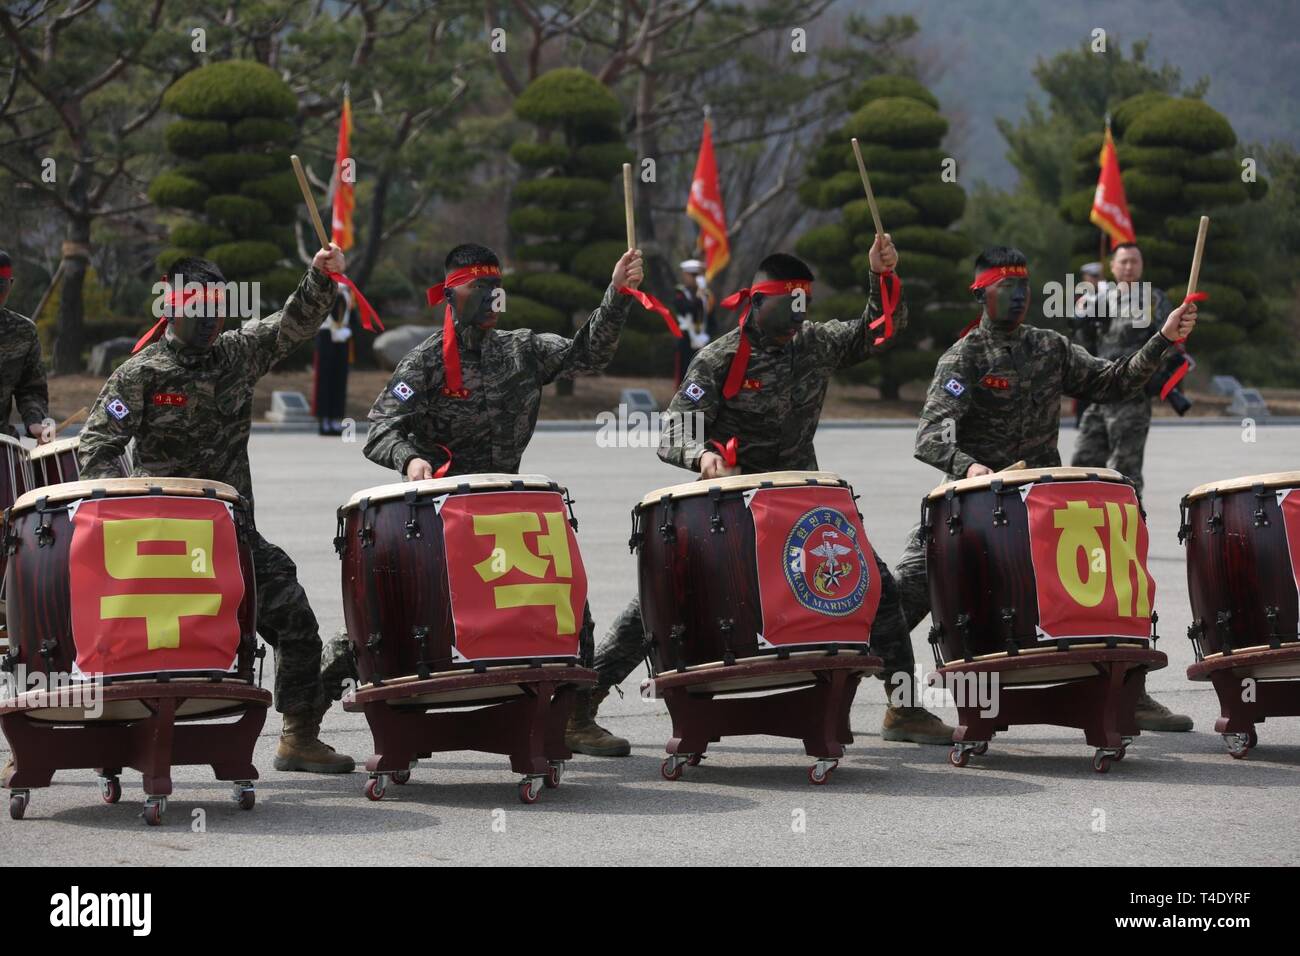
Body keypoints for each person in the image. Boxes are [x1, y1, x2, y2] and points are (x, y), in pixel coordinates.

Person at [575, 236, 957, 757]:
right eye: (788, 308)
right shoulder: (720, 357)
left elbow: (879, 328)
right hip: (730, 509)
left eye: (804, 308)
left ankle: (902, 706)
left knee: (878, 584)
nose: (798, 319)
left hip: (801, 508)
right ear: (757, 302)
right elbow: (672, 433)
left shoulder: (816, 343)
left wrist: (882, 277)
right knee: (661, 600)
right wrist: (701, 456)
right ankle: (580, 707)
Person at [893, 245, 1198, 732]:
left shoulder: (1049, 347)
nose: (1018, 298)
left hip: (1044, 507)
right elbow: (931, 435)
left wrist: (1162, 338)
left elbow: (1114, 381)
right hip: (971, 506)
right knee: (897, 595)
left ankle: (1129, 692)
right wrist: (971, 469)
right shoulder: (965, 357)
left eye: (1024, 288)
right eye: (1005, 289)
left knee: (1116, 570)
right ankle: (902, 708)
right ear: (981, 294)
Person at [77, 246, 357, 771]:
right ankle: (114, 738)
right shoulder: (140, 375)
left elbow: (291, 324)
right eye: (197, 310)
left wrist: (320, 276)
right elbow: (96, 450)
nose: (209, 323)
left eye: (217, 310)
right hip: (160, 547)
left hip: (231, 536)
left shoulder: (237, 355)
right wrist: (130, 512)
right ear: (170, 308)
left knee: (295, 618)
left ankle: (298, 736)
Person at [334, 243, 643, 695]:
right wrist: (411, 458)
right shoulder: (425, 362)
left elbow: (587, 354)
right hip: (440, 518)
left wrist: (616, 294)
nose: (491, 299)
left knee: (565, 604)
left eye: (496, 289)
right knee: (392, 619)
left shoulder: (523, 350)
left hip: (505, 512)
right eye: (480, 289)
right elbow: (381, 428)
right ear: (451, 295)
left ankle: (575, 715)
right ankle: (306, 716)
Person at [1069, 243, 1172, 497]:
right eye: (1123, 261)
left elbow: (1168, 343)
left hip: (1132, 395)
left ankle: (1130, 526)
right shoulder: (1100, 300)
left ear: (1141, 266)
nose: (1128, 267)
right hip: (1100, 394)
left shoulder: (1153, 300)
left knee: (1125, 469)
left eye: (1133, 261)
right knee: (1083, 463)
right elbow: (1086, 346)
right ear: (1112, 267)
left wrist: (1154, 376)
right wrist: (1083, 321)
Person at [0, 250, 51, 443]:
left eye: (0, 287)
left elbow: (31, 388)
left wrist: (35, 422)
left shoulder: (22, 331)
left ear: (10, 285)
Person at [313, 284, 354, 436]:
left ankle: (336, 418)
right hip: (326, 335)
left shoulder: (347, 288)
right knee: (324, 379)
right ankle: (324, 419)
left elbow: (351, 312)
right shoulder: (321, 282)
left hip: (342, 335)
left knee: (340, 378)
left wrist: (349, 329)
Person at [673, 259, 712, 384]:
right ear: (685, 275)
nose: (697, 279)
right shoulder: (680, 293)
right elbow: (686, 309)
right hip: (686, 339)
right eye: (694, 275)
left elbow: (710, 316)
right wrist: (699, 297)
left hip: (702, 338)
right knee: (684, 374)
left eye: (699, 275)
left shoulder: (706, 295)